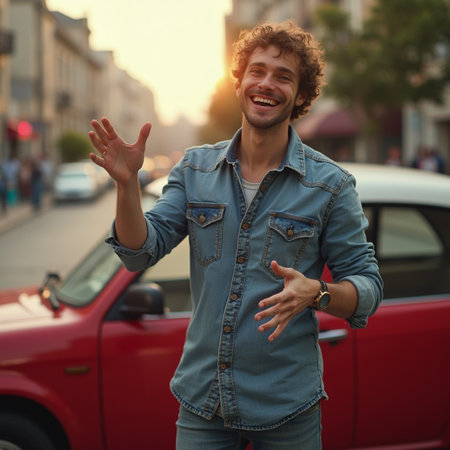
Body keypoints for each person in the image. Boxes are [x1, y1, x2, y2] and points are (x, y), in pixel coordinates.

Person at [89, 21, 382, 450]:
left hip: (287, 408)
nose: (267, 83)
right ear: (239, 82)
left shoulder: (331, 186)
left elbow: (368, 287)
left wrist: (317, 293)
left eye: (283, 76)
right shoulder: (194, 169)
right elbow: (139, 253)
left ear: (301, 95)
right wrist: (126, 185)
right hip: (203, 403)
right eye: (257, 71)